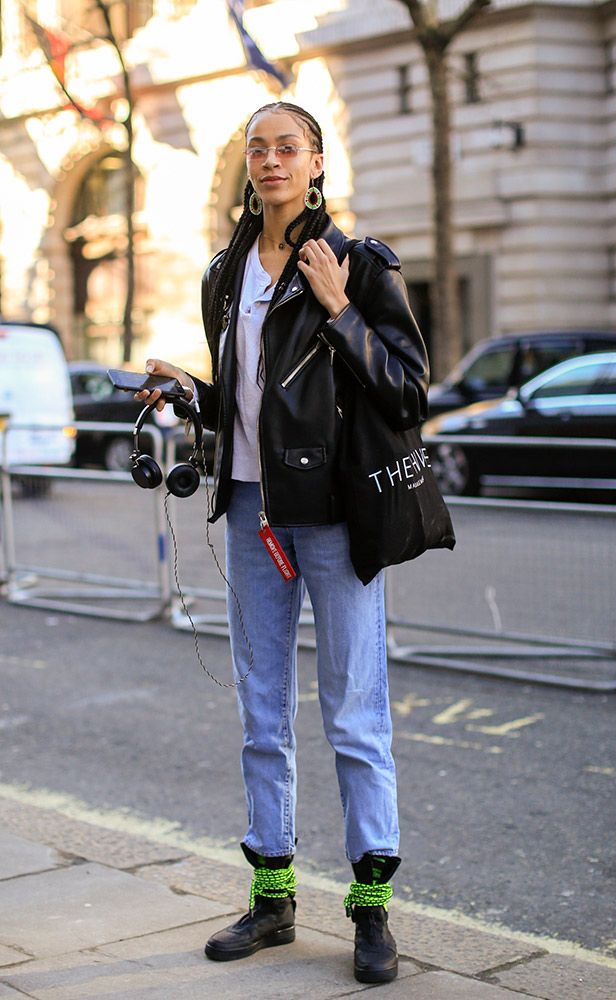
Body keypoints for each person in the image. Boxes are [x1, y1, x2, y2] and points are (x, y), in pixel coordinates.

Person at [136, 101, 429, 985]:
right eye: (257, 148)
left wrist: (340, 306)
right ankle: (272, 897)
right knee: (262, 714)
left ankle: (371, 910)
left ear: (316, 163)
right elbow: (246, 400)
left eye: (286, 147)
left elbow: (408, 392)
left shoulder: (360, 263)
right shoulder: (226, 272)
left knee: (353, 713)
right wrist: (189, 388)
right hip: (254, 506)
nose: (268, 160)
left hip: (335, 514)